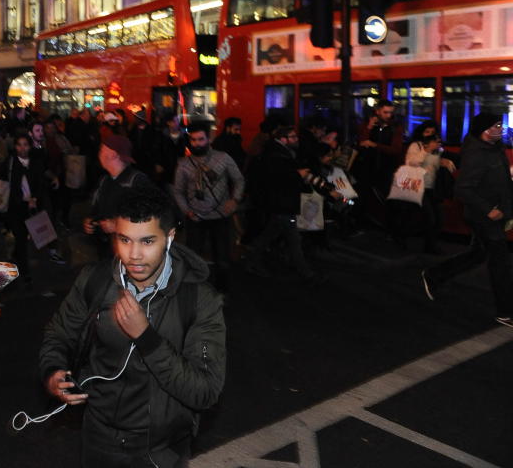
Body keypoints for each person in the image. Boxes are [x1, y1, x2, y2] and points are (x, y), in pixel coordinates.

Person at [39, 186, 226, 467]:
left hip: (159, 449)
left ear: (170, 237)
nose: (134, 255)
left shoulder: (200, 300)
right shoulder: (96, 280)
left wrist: (146, 337)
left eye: (147, 241)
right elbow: (59, 333)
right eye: (124, 239)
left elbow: (205, 391)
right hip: (98, 438)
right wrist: (53, 371)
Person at [421, 112, 513, 327]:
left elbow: (500, 182)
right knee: (500, 263)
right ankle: (506, 311)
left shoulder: (495, 148)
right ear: (482, 130)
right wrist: (488, 209)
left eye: (500, 124)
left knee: (479, 254)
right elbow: (462, 188)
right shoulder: (477, 154)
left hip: (497, 214)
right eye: (495, 126)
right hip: (485, 217)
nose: (500, 129)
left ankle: (434, 275)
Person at [173, 123, 244, 291]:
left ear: (209, 139)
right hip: (195, 217)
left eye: (201, 139)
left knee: (222, 258)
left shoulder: (223, 158)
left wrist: (234, 200)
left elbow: (239, 179)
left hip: (220, 216)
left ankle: (221, 292)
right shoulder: (184, 164)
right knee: (194, 258)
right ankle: (195, 292)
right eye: (193, 140)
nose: (197, 143)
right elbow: (178, 191)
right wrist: (187, 211)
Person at [246, 126, 321, 283]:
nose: (296, 139)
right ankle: (306, 273)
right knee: (293, 239)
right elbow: (279, 178)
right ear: (283, 139)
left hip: (281, 202)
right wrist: (297, 174)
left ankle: (252, 260)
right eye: (292, 137)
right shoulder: (277, 155)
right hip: (282, 202)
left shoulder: (277, 153)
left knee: (270, 235)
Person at [0, 135, 58, 279]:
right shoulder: (10, 162)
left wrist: (35, 198)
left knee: (26, 237)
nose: (22, 148)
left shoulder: (36, 162)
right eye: (19, 145)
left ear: (30, 146)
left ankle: (16, 255)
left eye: (25, 145)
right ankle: (25, 272)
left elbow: (41, 183)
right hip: (15, 207)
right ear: (15, 146)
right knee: (21, 237)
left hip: (32, 207)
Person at [83, 135, 152, 258]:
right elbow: (96, 206)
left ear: (114, 154)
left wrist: (118, 225)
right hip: (106, 250)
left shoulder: (137, 181)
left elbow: (148, 216)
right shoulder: (104, 180)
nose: (99, 154)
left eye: (102, 150)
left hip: (129, 254)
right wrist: (90, 220)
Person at [404, 133, 455, 253]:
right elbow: (412, 163)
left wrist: (444, 161)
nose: (437, 143)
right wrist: (426, 150)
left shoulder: (438, 150)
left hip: (433, 188)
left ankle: (430, 245)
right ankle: (426, 245)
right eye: (435, 140)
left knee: (439, 218)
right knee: (429, 217)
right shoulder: (416, 147)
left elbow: (436, 165)